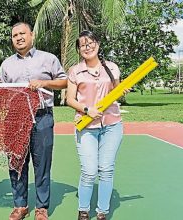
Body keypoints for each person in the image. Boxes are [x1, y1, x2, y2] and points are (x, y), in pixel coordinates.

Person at [0, 22, 67, 220]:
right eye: (15, 35)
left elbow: (64, 81)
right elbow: (2, 90)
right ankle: (20, 205)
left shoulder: (48, 58)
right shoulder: (6, 64)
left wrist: (44, 83)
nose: (19, 37)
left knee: (42, 163)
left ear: (31, 35)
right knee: (16, 162)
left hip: (42, 117)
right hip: (15, 119)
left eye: (22, 33)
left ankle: (41, 208)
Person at [66, 30, 126, 220]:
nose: (87, 47)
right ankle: (83, 210)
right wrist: (86, 110)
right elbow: (69, 99)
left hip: (112, 125)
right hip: (86, 126)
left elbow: (117, 93)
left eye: (90, 43)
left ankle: (102, 212)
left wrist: (124, 90)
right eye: (82, 45)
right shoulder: (75, 71)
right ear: (79, 50)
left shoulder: (112, 68)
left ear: (98, 45)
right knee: (89, 171)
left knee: (106, 169)